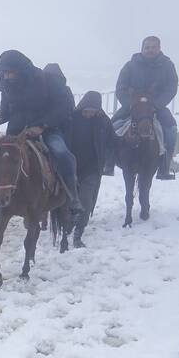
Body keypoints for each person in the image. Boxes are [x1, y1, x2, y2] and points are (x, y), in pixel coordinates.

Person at [0, 50, 82, 217]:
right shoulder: (6, 85)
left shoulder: (46, 81)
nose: (6, 76)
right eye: (4, 73)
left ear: (20, 70)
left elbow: (62, 108)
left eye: (9, 72)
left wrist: (42, 125)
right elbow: (6, 111)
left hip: (47, 130)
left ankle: (73, 197)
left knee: (62, 154)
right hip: (16, 134)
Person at [105, 36, 178, 180]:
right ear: (142, 49)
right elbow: (120, 88)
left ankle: (164, 167)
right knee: (111, 126)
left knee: (171, 130)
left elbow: (171, 88)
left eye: (153, 47)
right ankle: (109, 162)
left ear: (159, 48)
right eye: (147, 47)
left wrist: (156, 105)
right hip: (133, 106)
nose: (150, 50)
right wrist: (131, 105)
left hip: (157, 107)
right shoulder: (130, 65)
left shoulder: (167, 65)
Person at [70, 91, 114, 248]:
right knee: (69, 200)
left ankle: (78, 233)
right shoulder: (72, 119)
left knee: (86, 202)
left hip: (92, 170)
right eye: (87, 110)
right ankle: (68, 224)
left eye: (93, 111)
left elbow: (112, 141)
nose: (89, 113)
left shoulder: (103, 121)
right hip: (72, 168)